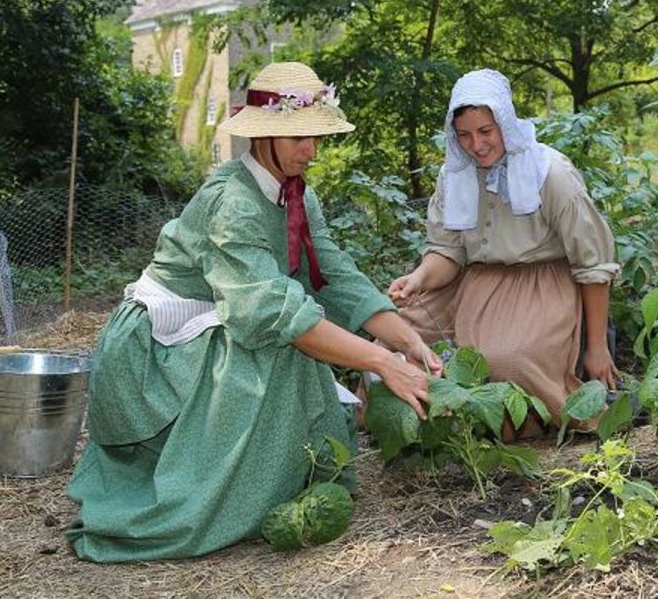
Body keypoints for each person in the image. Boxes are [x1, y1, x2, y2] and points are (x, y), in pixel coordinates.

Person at [65, 62, 441, 563]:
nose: (310, 151)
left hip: (215, 321)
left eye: (316, 138)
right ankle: (221, 498)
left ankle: (277, 477)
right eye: (297, 138)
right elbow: (272, 313)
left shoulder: (296, 195)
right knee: (279, 350)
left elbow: (337, 276)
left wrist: (406, 342)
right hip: (154, 346)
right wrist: (381, 364)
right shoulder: (233, 204)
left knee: (298, 337)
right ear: (262, 136)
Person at [388, 69, 619, 438]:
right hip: (471, 283)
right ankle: (427, 429)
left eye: (485, 131)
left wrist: (596, 349)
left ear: (506, 124)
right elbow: (447, 253)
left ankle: (521, 419)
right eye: (464, 135)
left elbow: (593, 265)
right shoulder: (455, 176)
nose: (475, 145)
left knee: (503, 359)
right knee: (394, 335)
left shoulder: (551, 174)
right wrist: (419, 277)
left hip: (540, 285)